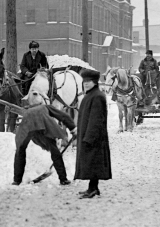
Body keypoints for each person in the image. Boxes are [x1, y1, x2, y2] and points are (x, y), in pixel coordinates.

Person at [12, 104, 77, 186]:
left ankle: (16, 181)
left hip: (27, 126)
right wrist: (73, 128)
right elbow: (62, 116)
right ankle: (63, 179)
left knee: (20, 150)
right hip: (43, 124)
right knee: (54, 150)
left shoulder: (28, 111)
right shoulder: (46, 107)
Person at [74, 69, 112, 199]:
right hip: (88, 134)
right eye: (84, 81)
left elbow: (96, 119)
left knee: (93, 162)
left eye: (89, 81)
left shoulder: (97, 96)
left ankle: (93, 189)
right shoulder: (90, 95)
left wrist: (90, 136)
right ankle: (92, 187)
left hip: (94, 136)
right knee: (91, 162)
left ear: (95, 82)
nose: (86, 84)